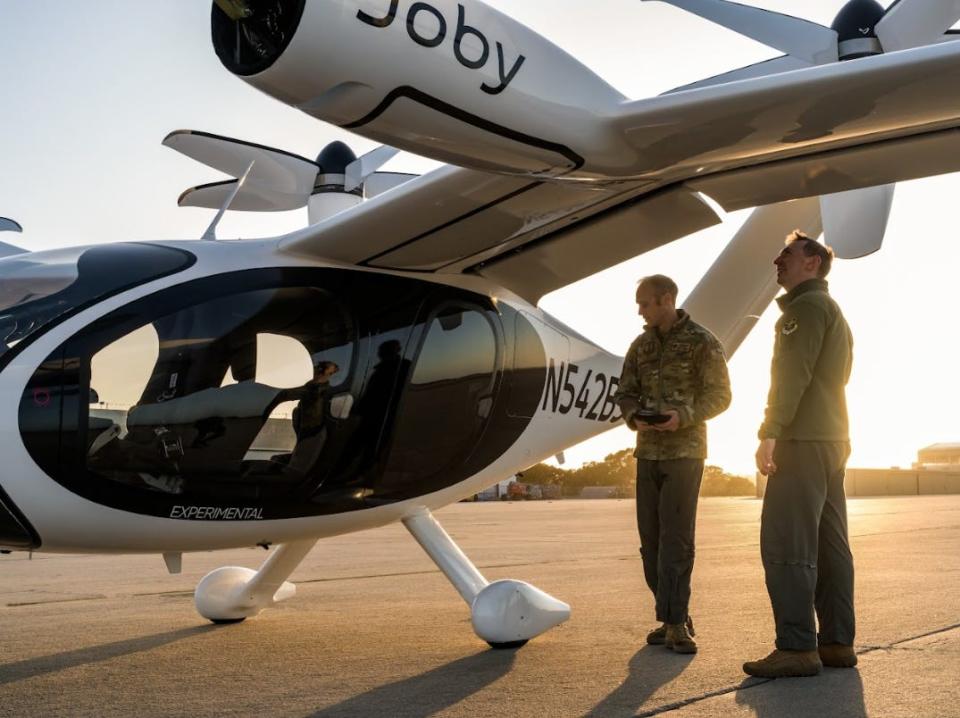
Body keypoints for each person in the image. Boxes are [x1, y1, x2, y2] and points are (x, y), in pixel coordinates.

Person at [744, 230, 856, 679]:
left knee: (787, 542)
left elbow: (791, 375)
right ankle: (836, 642)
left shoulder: (804, 309)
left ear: (812, 262)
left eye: (786, 253)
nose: (777, 258)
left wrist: (770, 430)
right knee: (831, 546)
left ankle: (796, 647)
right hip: (832, 439)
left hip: (802, 441)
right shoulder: (833, 310)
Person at [615, 274, 731, 654]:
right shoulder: (641, 345)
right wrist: (636, 416)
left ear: (666, 300)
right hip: (647, 452)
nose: (639, 310)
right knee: (650, 542)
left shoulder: (702, 341)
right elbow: (625, 393)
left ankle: (677, 623)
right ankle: (669, 617)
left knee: (676, 541)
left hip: (685, 452)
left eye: (645, 303)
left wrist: (682, 415)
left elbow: (721, 395)